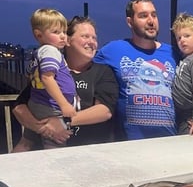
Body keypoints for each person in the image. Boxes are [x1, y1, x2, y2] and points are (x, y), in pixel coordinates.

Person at [12, 16, 119, 152]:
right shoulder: (49, 70)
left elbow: (104, 111)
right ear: (68, 40)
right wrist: (45, 128)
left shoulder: (103, 71)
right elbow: (19, 107)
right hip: (46, 153)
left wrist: (62, 122)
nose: (92, 42)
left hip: (90, 151)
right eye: (86, 36)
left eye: (94, 38)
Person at [93, 0, 179, 141]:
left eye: (154, 15)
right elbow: (83, 66)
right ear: (130, 21)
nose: (151, 21)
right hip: (129, 146)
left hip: (169, 143)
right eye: (143, 16)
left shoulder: (173, 53)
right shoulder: (113, 50)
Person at [26, 8, 79, 148]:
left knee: (28, 141)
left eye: (64, 32)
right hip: (50, 106)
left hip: (40, 103)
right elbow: (47, 78)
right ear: (39, 35)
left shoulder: (40, 52)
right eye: (56, 32)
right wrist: (64, 104)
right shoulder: (50, 50)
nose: (63, 36)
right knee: (57, 140)